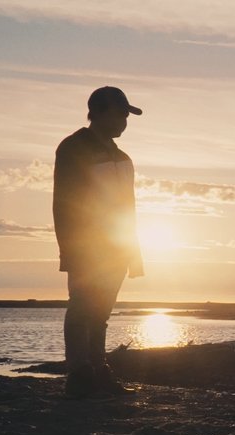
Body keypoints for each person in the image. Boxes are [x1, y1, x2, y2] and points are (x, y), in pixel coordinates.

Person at [53, 86, 145, 398]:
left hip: (117, 249)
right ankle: (79, 375)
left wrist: (133, 252)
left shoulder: (123, 158)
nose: (124, 122)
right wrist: (70, 250)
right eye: (120, 114)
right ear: (98, 112)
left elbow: (128, 209)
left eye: (126, 116)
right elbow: (63, 203)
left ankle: (97, 370)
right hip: (86, 247)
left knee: (101, 313)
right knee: (82, 308)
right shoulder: (74, 148)